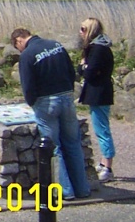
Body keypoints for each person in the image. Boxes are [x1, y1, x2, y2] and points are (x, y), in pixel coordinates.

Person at [11, 27, 91, 200]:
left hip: (46, 102)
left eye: (18, 47)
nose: (20, 50)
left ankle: (65, 191)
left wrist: (32, 103)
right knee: (73, 143)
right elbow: (71, 72)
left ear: (19, 40)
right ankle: (82, 188)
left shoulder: (27, 55)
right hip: (66, 97)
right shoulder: (56, 45)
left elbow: (28, 85)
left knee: (52, 147)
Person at [78, 17, 116, 182]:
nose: (80, 32)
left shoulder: (98, 49)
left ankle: (107, 166)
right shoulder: (98, 47)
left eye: (82, 29)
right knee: (100, 127)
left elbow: (88, 72)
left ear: (89, 31)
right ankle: (103, 162)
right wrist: (84, 67)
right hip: (98, 91)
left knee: (102, 130)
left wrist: (83, 66)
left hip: (99, 92)